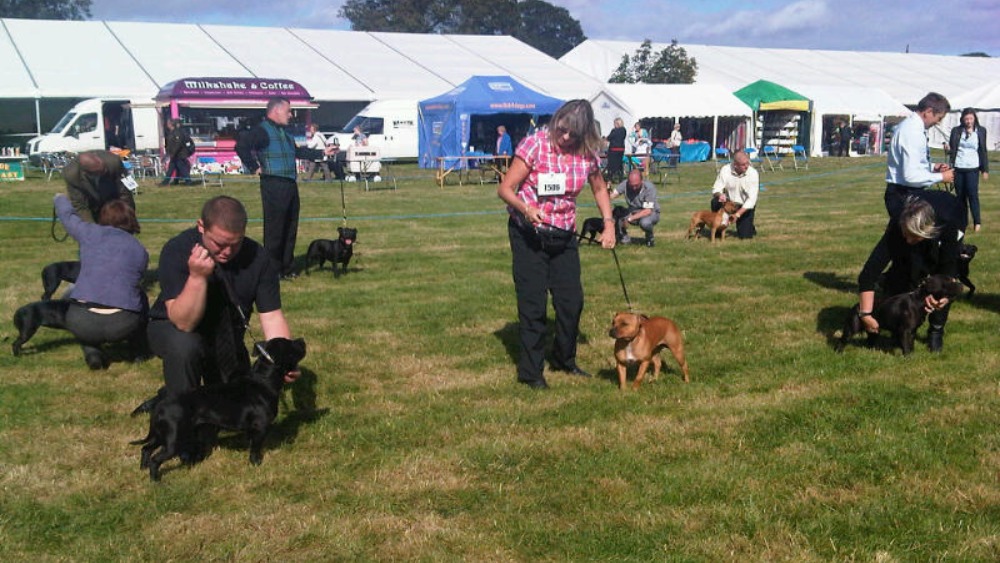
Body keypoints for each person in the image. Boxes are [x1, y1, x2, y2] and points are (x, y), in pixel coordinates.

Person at [137, 196, 299, 412]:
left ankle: (168, 395)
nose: (227, 252)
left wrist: (284, 358)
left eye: (235, 244)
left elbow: (271, 315)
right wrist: (197, 277)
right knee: (185, 346)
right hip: (172, 327)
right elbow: (183, 322)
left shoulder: (259, 257)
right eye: (219, 244)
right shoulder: (177, 249)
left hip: (227, 335)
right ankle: (182, 415)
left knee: (234, 401)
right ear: (201, 227)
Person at [497, 99, 616, 390]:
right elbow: (505, 189)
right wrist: (526, 209)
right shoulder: (535, 144)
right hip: (529, 234)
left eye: (572, 135)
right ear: (556, 122)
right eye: (561, 130)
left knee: (571, 302)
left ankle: (564, 358)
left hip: (564, 235)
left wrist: (609, 223)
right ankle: (531, 372)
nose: (564, 138)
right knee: (533, 305)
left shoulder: (587, 153)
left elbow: (599, 188)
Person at [236, 96, 330, 279]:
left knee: (290, 227)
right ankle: (271, 270)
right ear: (276, 110)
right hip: (273, 183)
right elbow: (242, 146)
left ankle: (287, 267)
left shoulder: (286, 133)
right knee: (275, 230)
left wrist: (323, 153)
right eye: (288, 111)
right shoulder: (261, 131)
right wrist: (255, 166)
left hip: (290, 183)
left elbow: (299, 152)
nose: (291, 115)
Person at [855, 192, 961, 352]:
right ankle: (899, 325)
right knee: (905, 269)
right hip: (911, 222)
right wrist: (865, 315)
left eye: (914, 238)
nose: (908, 241)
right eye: (906, 235)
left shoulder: (948, 225)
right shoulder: (897, 226)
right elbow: (869, 273)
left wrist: (945, 297)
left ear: (927, 233)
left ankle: (936, 330)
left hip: (951, 214)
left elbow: (948, 267)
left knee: (940, 285)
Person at [53, 193, 148, 369]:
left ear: (102, 217)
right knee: (141, 296)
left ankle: (91, 350)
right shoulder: (140, 250)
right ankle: (138, 349)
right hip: (123, 324)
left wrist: (60, 198)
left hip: (82, 321)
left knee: (70, 292)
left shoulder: (89, 232)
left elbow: (67, 217)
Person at [884, 92, 955, 219]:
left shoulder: (913, 127)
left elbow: (912, 163)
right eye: (939, 118)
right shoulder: (912, 132)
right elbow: (910, 176)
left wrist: (932, 167)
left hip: (906, 193)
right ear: (928, 111)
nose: (938, 123)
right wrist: (941, 177)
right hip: (904, 195)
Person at [62, 150, 136, 223]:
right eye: (100, 172)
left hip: (114, 199)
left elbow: (125, 192)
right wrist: (92, 230)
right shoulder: (71, 175)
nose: (104, 172)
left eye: (104, 169)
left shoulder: (114, 162)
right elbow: (80, 206)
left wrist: (127, 216)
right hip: (93, 204)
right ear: (86, 173)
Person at [948, 107, 990, 232]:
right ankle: (962, 221)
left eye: (971, 118)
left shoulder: (981, 131)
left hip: (973, 168)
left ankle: (977, 222)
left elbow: (983, 151)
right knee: (960, 197)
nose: (968, 121)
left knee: (972, 195)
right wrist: (950, 164)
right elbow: (952, 149)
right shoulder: (956, 131)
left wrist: (985, 169)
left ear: (974, 119)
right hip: (959, 167)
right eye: (966, 119)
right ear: (962, 119)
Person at [710, 150, 759, 239]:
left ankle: (749, 226)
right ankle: (717, 228)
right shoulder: (725, 170)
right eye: (743, 164)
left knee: (745, 236)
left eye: (747, 163)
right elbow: (716, 189)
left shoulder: (753, 173)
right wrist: (720, 195)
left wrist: (737, 214)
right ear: (735, 165)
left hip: (744, 206)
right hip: (729, 203)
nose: (747, 166)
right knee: (715, 201)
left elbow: (751, 200)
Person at [612, 169, 661, 247]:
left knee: (645, 223)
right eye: (632, 185)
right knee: (615, 214)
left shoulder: (649, 188)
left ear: (642, 181)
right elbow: (612, 195)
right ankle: (624, 238)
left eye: (636, 185)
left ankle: (649, 238)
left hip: (650, 213)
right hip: (633, 211)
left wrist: (629, 219)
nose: (634, 188)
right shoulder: (625, 184)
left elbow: (647, 211)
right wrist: (606, 191)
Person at [160, 119, 194, 186]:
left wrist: (173, 153)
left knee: (182, 168)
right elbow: (170, 144)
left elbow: (177, 144)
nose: (167, 125)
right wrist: (168, 153)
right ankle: (166, 182)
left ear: (171, 124)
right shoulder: (171, 132)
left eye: (168, 123)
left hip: (179, 154)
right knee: (171, 168)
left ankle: (188, 181)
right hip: (174, 154)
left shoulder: (177, 133)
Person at [605, 117, 627, 183]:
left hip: (613, 149)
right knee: (619, 164)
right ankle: (620, 177)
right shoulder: (624, 130)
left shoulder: (614, 131)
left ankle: (609, 178)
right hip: (621, 149)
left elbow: (609, 138)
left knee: (611, 164)